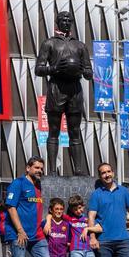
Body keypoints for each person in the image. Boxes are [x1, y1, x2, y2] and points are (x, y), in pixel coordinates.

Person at [34, 11, 92, 176]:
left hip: (74, 89)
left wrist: (81, 69)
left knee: (75, 130)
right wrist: (55, 68)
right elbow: (39, 69)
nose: (66, 22)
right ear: (57, 22)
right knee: (53, 130)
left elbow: (89, 72)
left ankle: (78, 169)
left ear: (72, 23)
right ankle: (52, 170)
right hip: (56, 89)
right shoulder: (49, 43)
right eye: (63, 20)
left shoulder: (80, 46)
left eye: (69, 20)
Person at [4, 155, 52, 257]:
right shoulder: (18, 184)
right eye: (37, 167)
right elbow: (11, 208)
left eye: (41, 168)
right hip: (19, 235)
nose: (40, 171)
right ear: (28, 168)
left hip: (37, 235)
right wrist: (20, 230)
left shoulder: (38, 186)